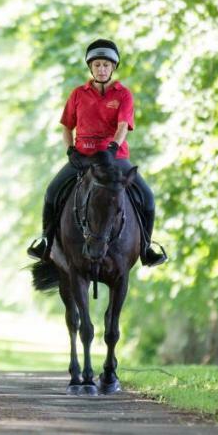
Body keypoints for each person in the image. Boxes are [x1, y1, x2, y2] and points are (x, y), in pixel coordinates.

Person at [27, 38, 167, 266]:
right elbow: (66, 126)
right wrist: (70, 150)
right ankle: (46, 242)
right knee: (52, 192)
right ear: (91, 68)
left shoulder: (123, 95)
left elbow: (123, 126)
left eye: (106, 65)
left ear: (113, 67)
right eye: (97, 65)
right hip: (82, 157)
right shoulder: (77, 94)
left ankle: (146, 248)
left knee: (148, 197)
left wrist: (112, 148)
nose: (101, 69)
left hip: (115, 158)